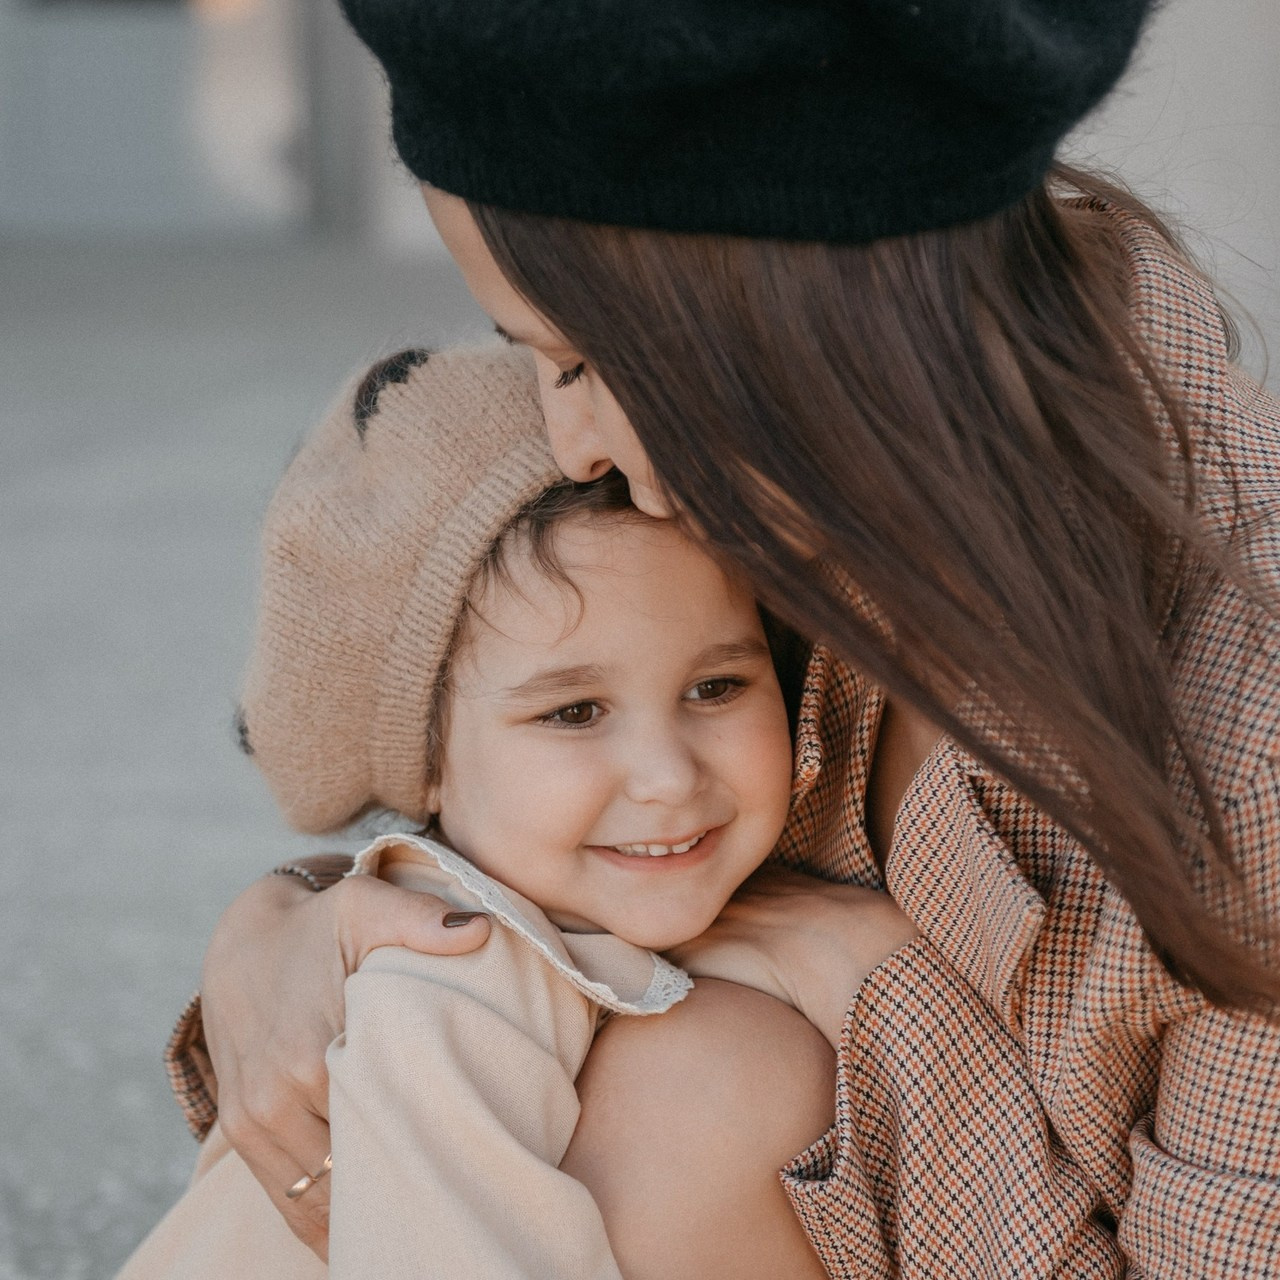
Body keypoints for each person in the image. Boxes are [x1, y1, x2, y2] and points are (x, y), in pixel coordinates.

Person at [181, 2, 1280, 1276]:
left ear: (784, 322)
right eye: (526, 354)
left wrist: (877, 979)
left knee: (695, 1083)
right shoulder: (778, 497)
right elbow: (533, 794)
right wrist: (291, 922)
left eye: (587, 360)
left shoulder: (1241, 727)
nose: (573, 444)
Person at [122, 344, 834, 1278]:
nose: (666, 775)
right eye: (573, 712)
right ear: (426, 767)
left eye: (717, 686)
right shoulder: (450, 969)